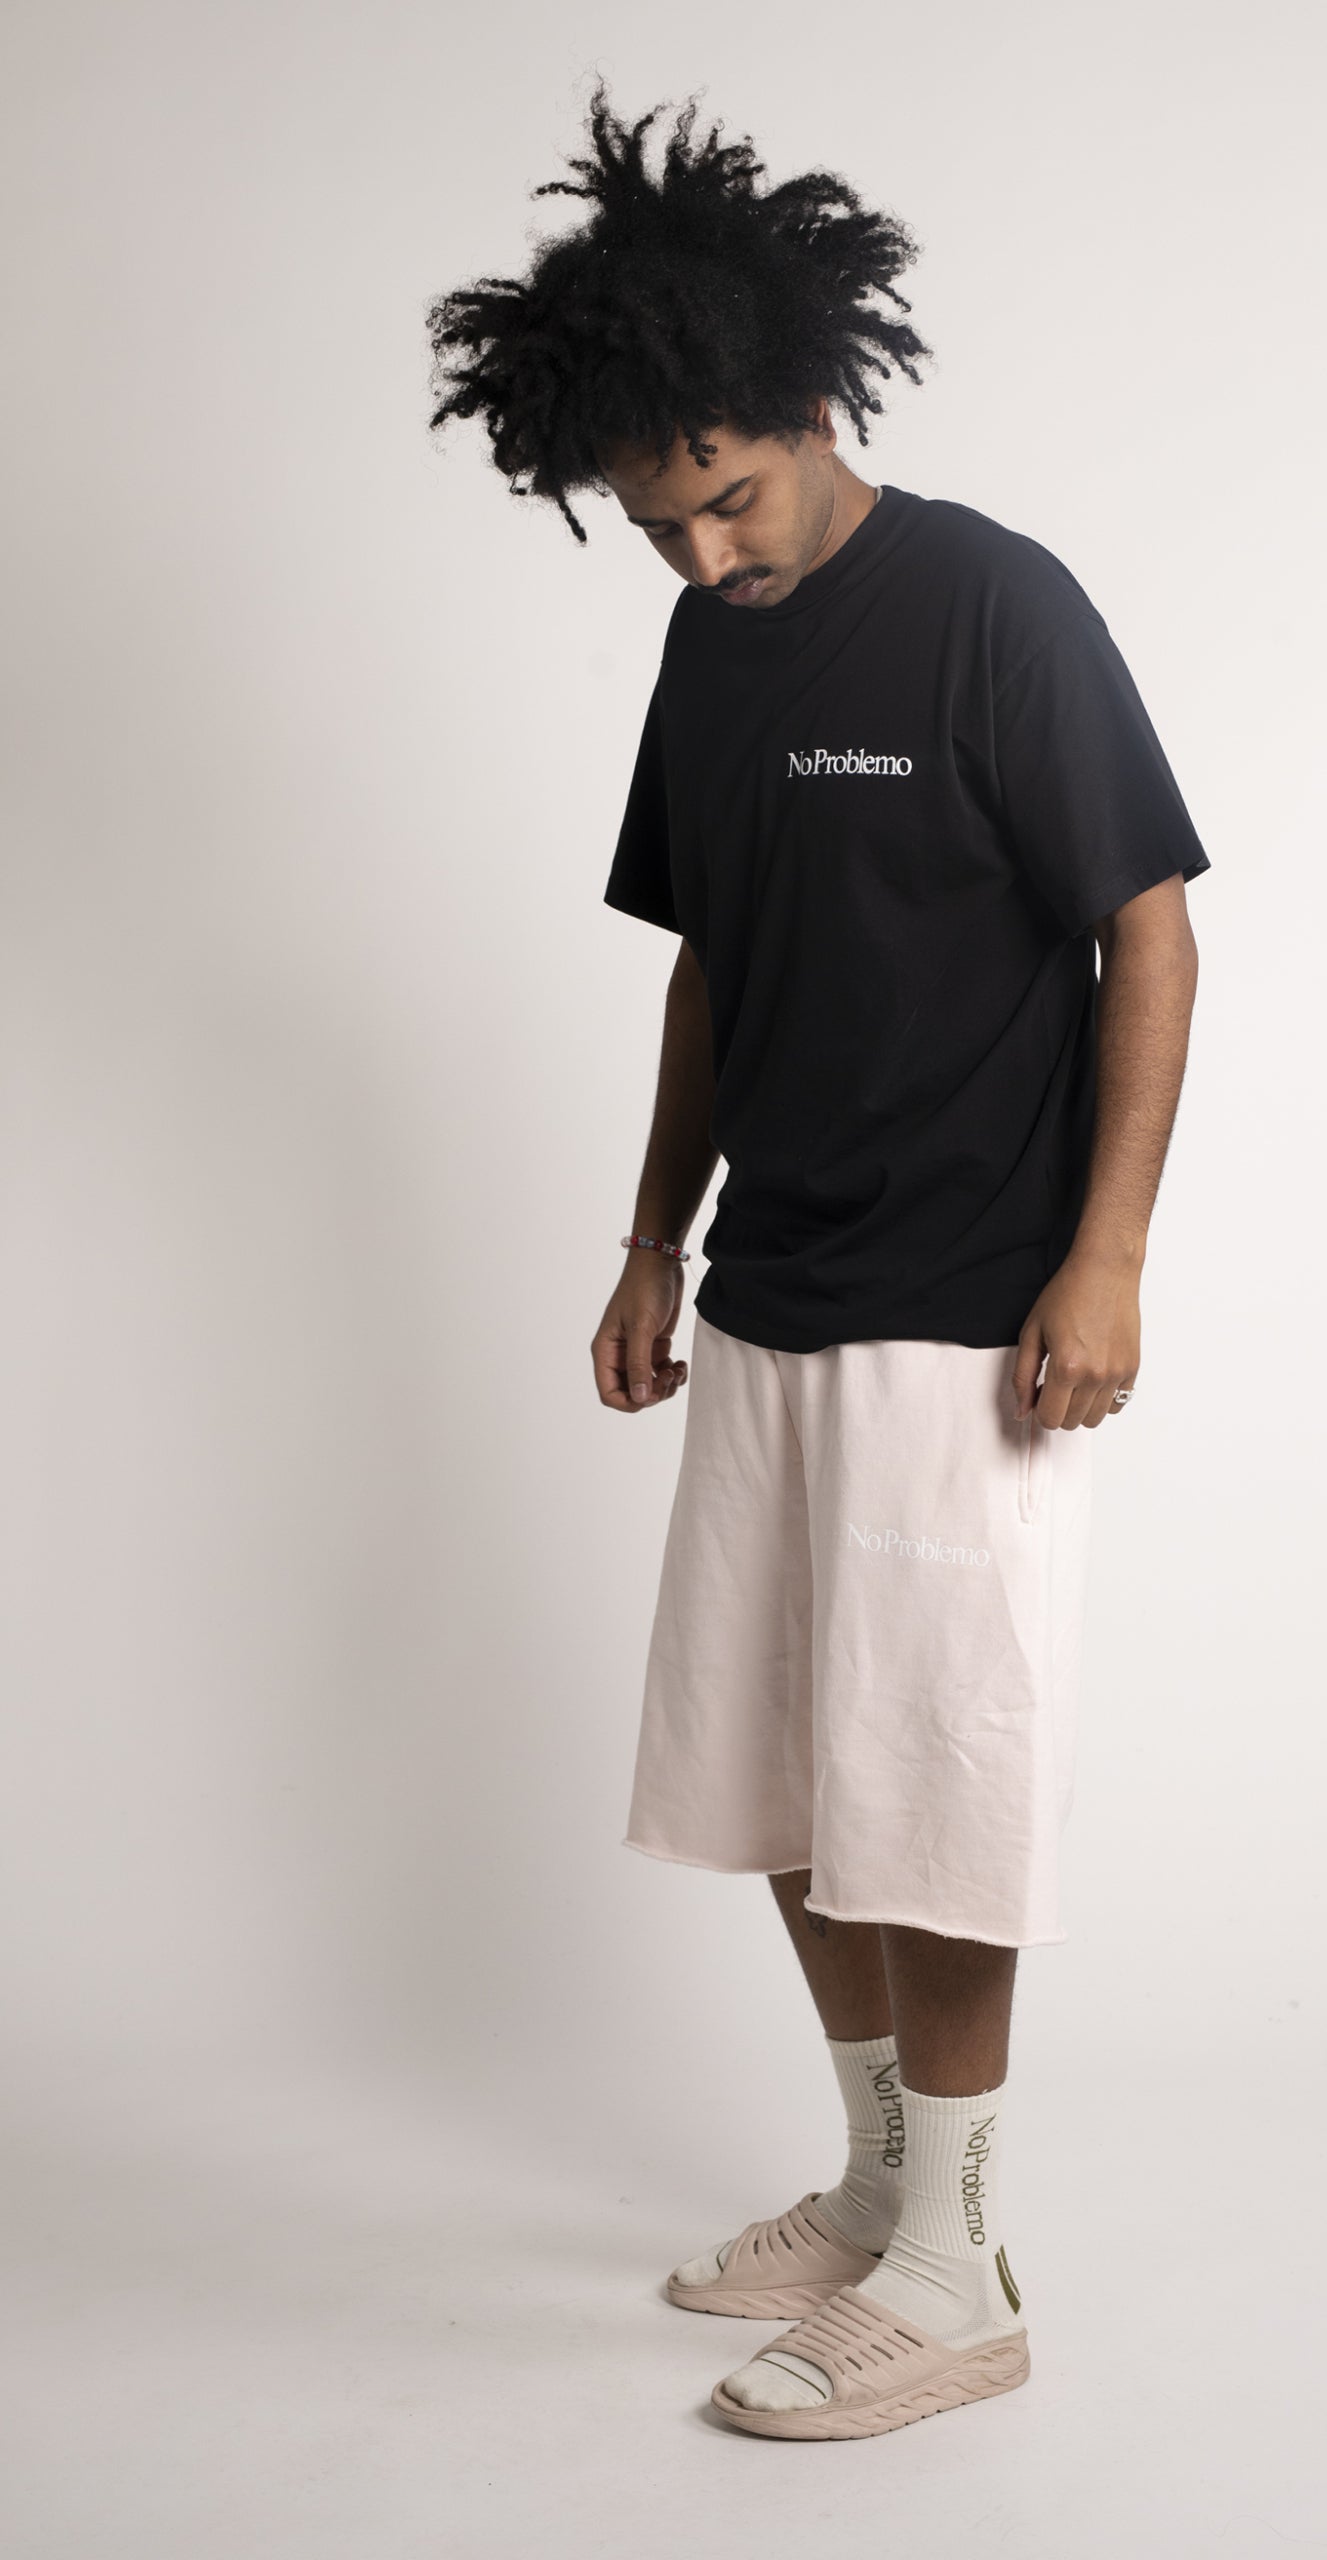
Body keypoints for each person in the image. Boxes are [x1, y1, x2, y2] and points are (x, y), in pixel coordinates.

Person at [427, 82, 1209, 2442]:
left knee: (934, 1781)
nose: (701, 552)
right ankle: (877, 2180)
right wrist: (648, 1238)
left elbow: (1149, 928)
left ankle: (957, 2264)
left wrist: (1108, 1255)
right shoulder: (712, 651)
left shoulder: (990, 602)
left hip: (971, 1308)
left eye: (728, 496)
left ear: (809, 407)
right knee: (787, 1774)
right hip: (769, 1283)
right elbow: (707, 962)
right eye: (653, 523)